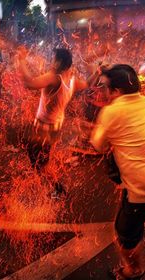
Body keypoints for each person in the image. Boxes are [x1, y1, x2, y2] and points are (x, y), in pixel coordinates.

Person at [90, 64, 145, 279]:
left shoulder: (111, 111)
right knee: (133, 213)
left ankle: (134, 270)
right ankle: (138, 221)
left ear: (117, 92)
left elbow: (98, 145)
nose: (103, 92)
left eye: (106, 88)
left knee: (124, 233)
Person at [17, 47, 87, 198]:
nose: (51, 61)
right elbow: (87, 84)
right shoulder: (73, 80)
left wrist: (22, 59)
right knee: (38, 159)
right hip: (55, 127)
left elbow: (29, 83)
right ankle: (48, 178)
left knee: (40, 165)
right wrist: (96, 73)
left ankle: (58, 189)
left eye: (53, 59)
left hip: (43, 129)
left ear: (59, 62)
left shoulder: (54, 77)